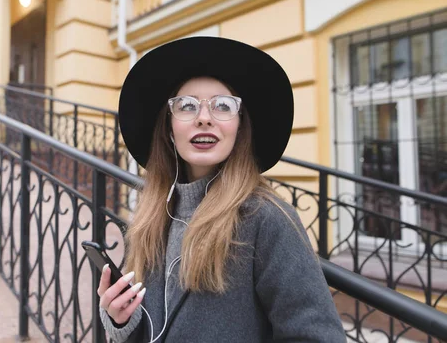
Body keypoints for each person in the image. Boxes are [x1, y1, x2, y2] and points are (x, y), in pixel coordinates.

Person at [97, 37, 346, 342]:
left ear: (240, 127)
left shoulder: (266, 219)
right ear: (169, 129)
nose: (204, 118)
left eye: (223, 106)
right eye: (187, 105)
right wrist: (120, 319)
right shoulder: (155, 214)